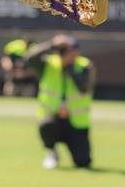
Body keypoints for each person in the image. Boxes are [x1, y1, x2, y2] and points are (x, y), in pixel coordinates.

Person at [22, 35, 96, 169]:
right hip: (54, 119)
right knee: (45, 125)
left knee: (83, 161)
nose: (66, 53)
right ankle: (51, 152)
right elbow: (28, 58)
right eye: (63, 50)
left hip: (76, 122)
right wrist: (51, 43)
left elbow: (84, 88)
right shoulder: (48, 64)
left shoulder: (85, 65)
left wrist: (69, 66)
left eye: (70, 50)